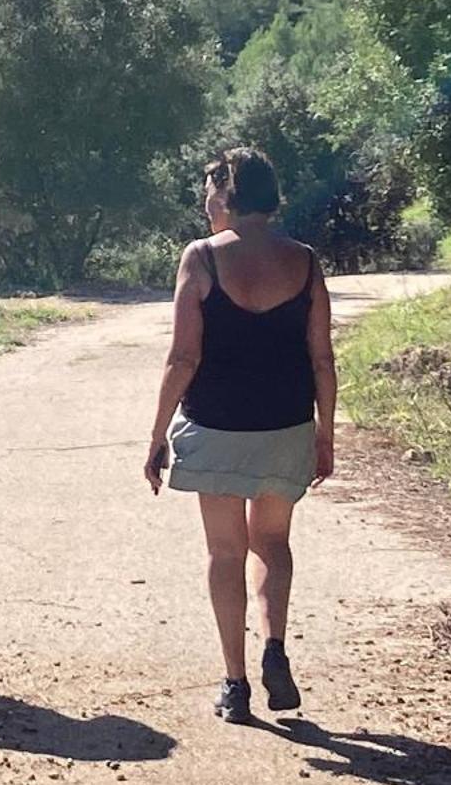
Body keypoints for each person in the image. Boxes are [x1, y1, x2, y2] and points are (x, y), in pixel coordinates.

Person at [142, 147, 337, 725]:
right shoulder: (303, 260)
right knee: (271, 543)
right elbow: (322, 357)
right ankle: (274, 643)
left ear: (226, 193)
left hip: (216, 423)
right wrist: (324, 431)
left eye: (209, 189)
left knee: (225, 552)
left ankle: (236, 684)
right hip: (285, 422)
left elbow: (182, 357)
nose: (205, 203)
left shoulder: (200, 258)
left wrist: (155, 435)